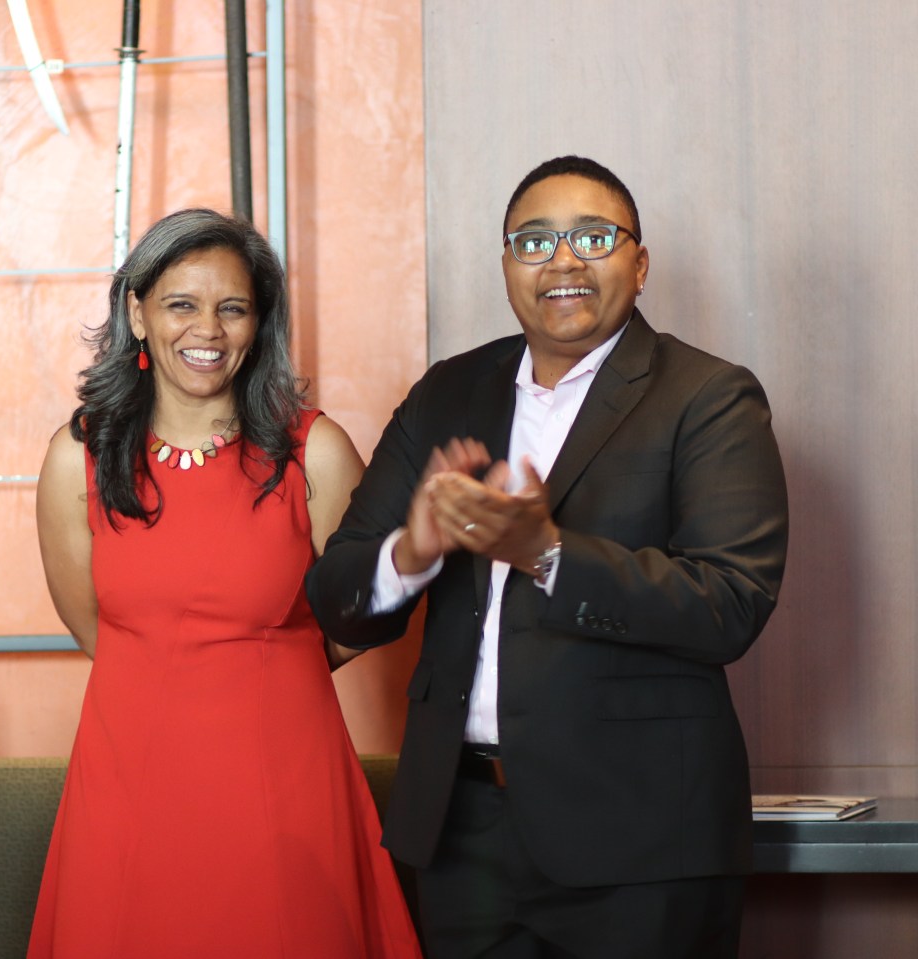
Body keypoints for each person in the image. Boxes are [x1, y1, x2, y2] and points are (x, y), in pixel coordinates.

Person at [306, 156, 789, 958]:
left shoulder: (709, 397)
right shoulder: (447, 393)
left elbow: (730, 603)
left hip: (642, 841)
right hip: (460, 834)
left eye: (592, 237)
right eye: (533, 242)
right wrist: (415, 549)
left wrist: (550, 553)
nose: (562, 261)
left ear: (639, 262)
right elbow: (335, 594)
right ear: (506, 266)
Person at [27, 208, 422, 958]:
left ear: (257, 322)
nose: (207, 328)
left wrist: (265, 661)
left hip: (286, 790)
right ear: (137, 314)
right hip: (129, 787)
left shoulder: (319, 451)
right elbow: (94, 629)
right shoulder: (76, 458)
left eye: (231, 307)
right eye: (181, 304)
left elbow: (355, 620)